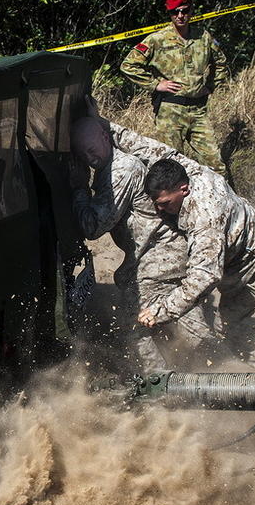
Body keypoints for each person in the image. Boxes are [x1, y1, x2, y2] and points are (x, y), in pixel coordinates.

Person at [134, 154, 255, 369]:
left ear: (183, 189)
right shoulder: (196, 172)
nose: (160, 210)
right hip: (239, 273)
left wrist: (160, 311)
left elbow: (204, 276)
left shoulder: (205, 219)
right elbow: (153, 149)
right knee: (231, 329)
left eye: (165, 203)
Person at [69, 116, 217, 370]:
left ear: (105, 138)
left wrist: (79, 189)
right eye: (83, 153)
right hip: (161, 255)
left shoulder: (122, 170)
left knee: (132, 324)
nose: (89, 157)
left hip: (158, 259)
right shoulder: (112, 166)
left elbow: (92, 227)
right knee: (187, 320)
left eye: (92, 149)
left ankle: (158, 385)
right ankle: (210, 368)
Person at [120, 0, 228, 175]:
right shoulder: (157, 39)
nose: (180, 16)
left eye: (185, 10)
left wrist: (210, 87)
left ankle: (222, 203)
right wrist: (155, 85)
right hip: (170, 111)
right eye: (175, 11)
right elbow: (128, 65)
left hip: (198, 110)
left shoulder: (203, 37)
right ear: (169, 12)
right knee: (172, 168)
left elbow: (221, 63)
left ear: (191, 10)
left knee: (216, 165)